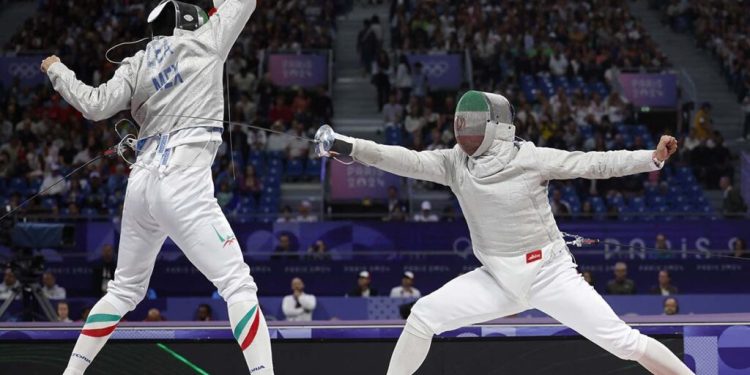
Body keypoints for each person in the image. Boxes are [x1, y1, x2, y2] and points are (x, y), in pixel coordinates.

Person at [315, 90, 690, 374]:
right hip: (497, 278)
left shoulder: (528, 157)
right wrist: (349, 146)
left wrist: (651, 158)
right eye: (462, 121)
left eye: (474, 122)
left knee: (624, 343)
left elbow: (593, 163)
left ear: (497, 127)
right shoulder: (454, 163)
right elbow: (401, 158)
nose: (464, 129)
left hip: (549, 274)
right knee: (423, 315)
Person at [41, 1, 274, 373]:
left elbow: (95, 105)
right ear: (191, 22)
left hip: (141, 184)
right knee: (238, 285)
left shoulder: (137, 61)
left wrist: (57, 70)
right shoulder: (206, 40)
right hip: (182, 180)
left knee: (123, 292)